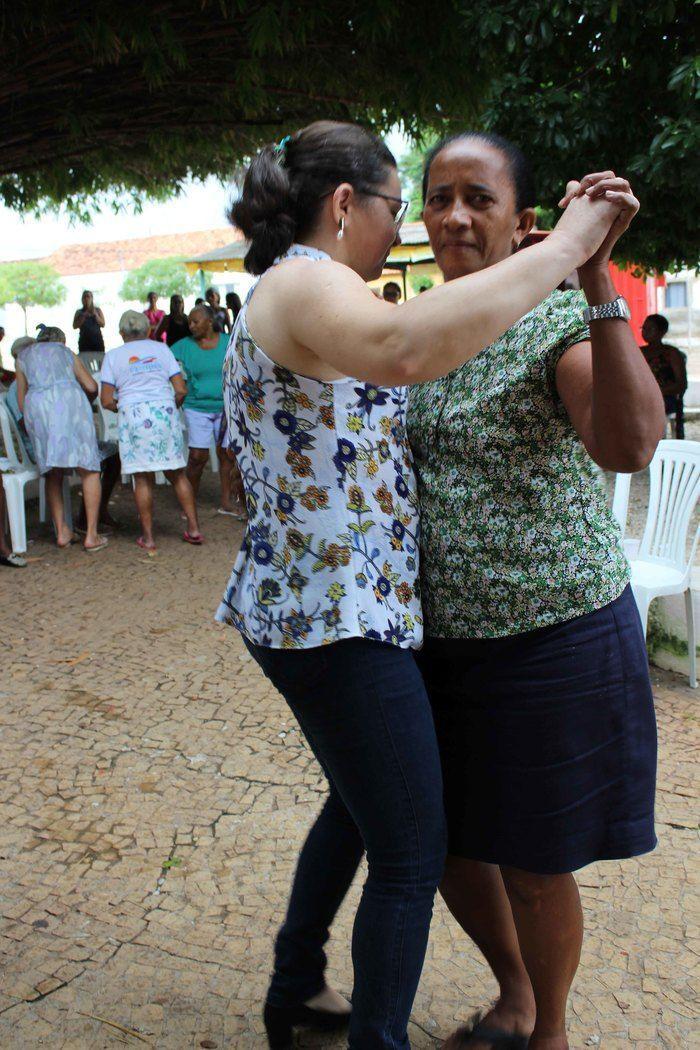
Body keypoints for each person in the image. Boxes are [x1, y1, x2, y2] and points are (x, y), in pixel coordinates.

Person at [213, 119, 625, 1049]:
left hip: (327, 606)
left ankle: (294, 987)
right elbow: (404, 351)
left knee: (358, 811)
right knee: (410, 852)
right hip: (336, 617)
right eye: (405, 206)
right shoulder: (311, 280)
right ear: (346, 203)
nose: (415, 226)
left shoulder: (304, 286)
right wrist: (564, 246)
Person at [407, 132, 664, 1050]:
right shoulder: (422, 329)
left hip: (551, 637)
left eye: (479, 198)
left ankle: (546, 1030)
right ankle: (513, 991)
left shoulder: (557, 324)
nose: (455, 216)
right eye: (440, 197)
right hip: (440, 645)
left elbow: (629, 447)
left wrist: (596, 283)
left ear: (525, 225)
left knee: (534, 865)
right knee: (444, 844)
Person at [100, 310, 202, 550]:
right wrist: (167, 408)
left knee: (142, 476)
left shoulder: (113, 356)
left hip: (133, 417)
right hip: (164, 413)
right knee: (177, 473)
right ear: (148, 330)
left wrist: (126, 408)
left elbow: (105, 400)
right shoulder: (161, 349)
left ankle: (148, 537)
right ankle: (194, 529)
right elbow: (181, 390)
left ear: (122, 333)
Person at [6, 336, 121, 533]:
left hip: (44, 440)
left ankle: (62, 532)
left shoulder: (27, 378)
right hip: (68, 427)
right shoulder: (65, 355)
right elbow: (92, 387)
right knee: (90, 469)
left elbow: (23, 410)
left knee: (53, 472)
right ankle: (91, 533)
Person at [171, 304, 237, 513]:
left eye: (195, 321)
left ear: (209, 322)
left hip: (225, 407)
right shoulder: (183, 346)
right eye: (189, 322)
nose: (190, 326)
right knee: (197, 457)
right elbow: (163, 362)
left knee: (227, 455)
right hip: (196, 407)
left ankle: (226, 502)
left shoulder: (228, 342)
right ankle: (188, 502)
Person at [641, 313, 687, 439]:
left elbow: (681, 384)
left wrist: (656, 392)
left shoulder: (672, 353)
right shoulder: (638, 352)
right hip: (641, 397)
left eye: (650, 329)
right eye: (644, 328)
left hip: (665, 398)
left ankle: (657, 444)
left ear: (662, 331)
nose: (645, 332)